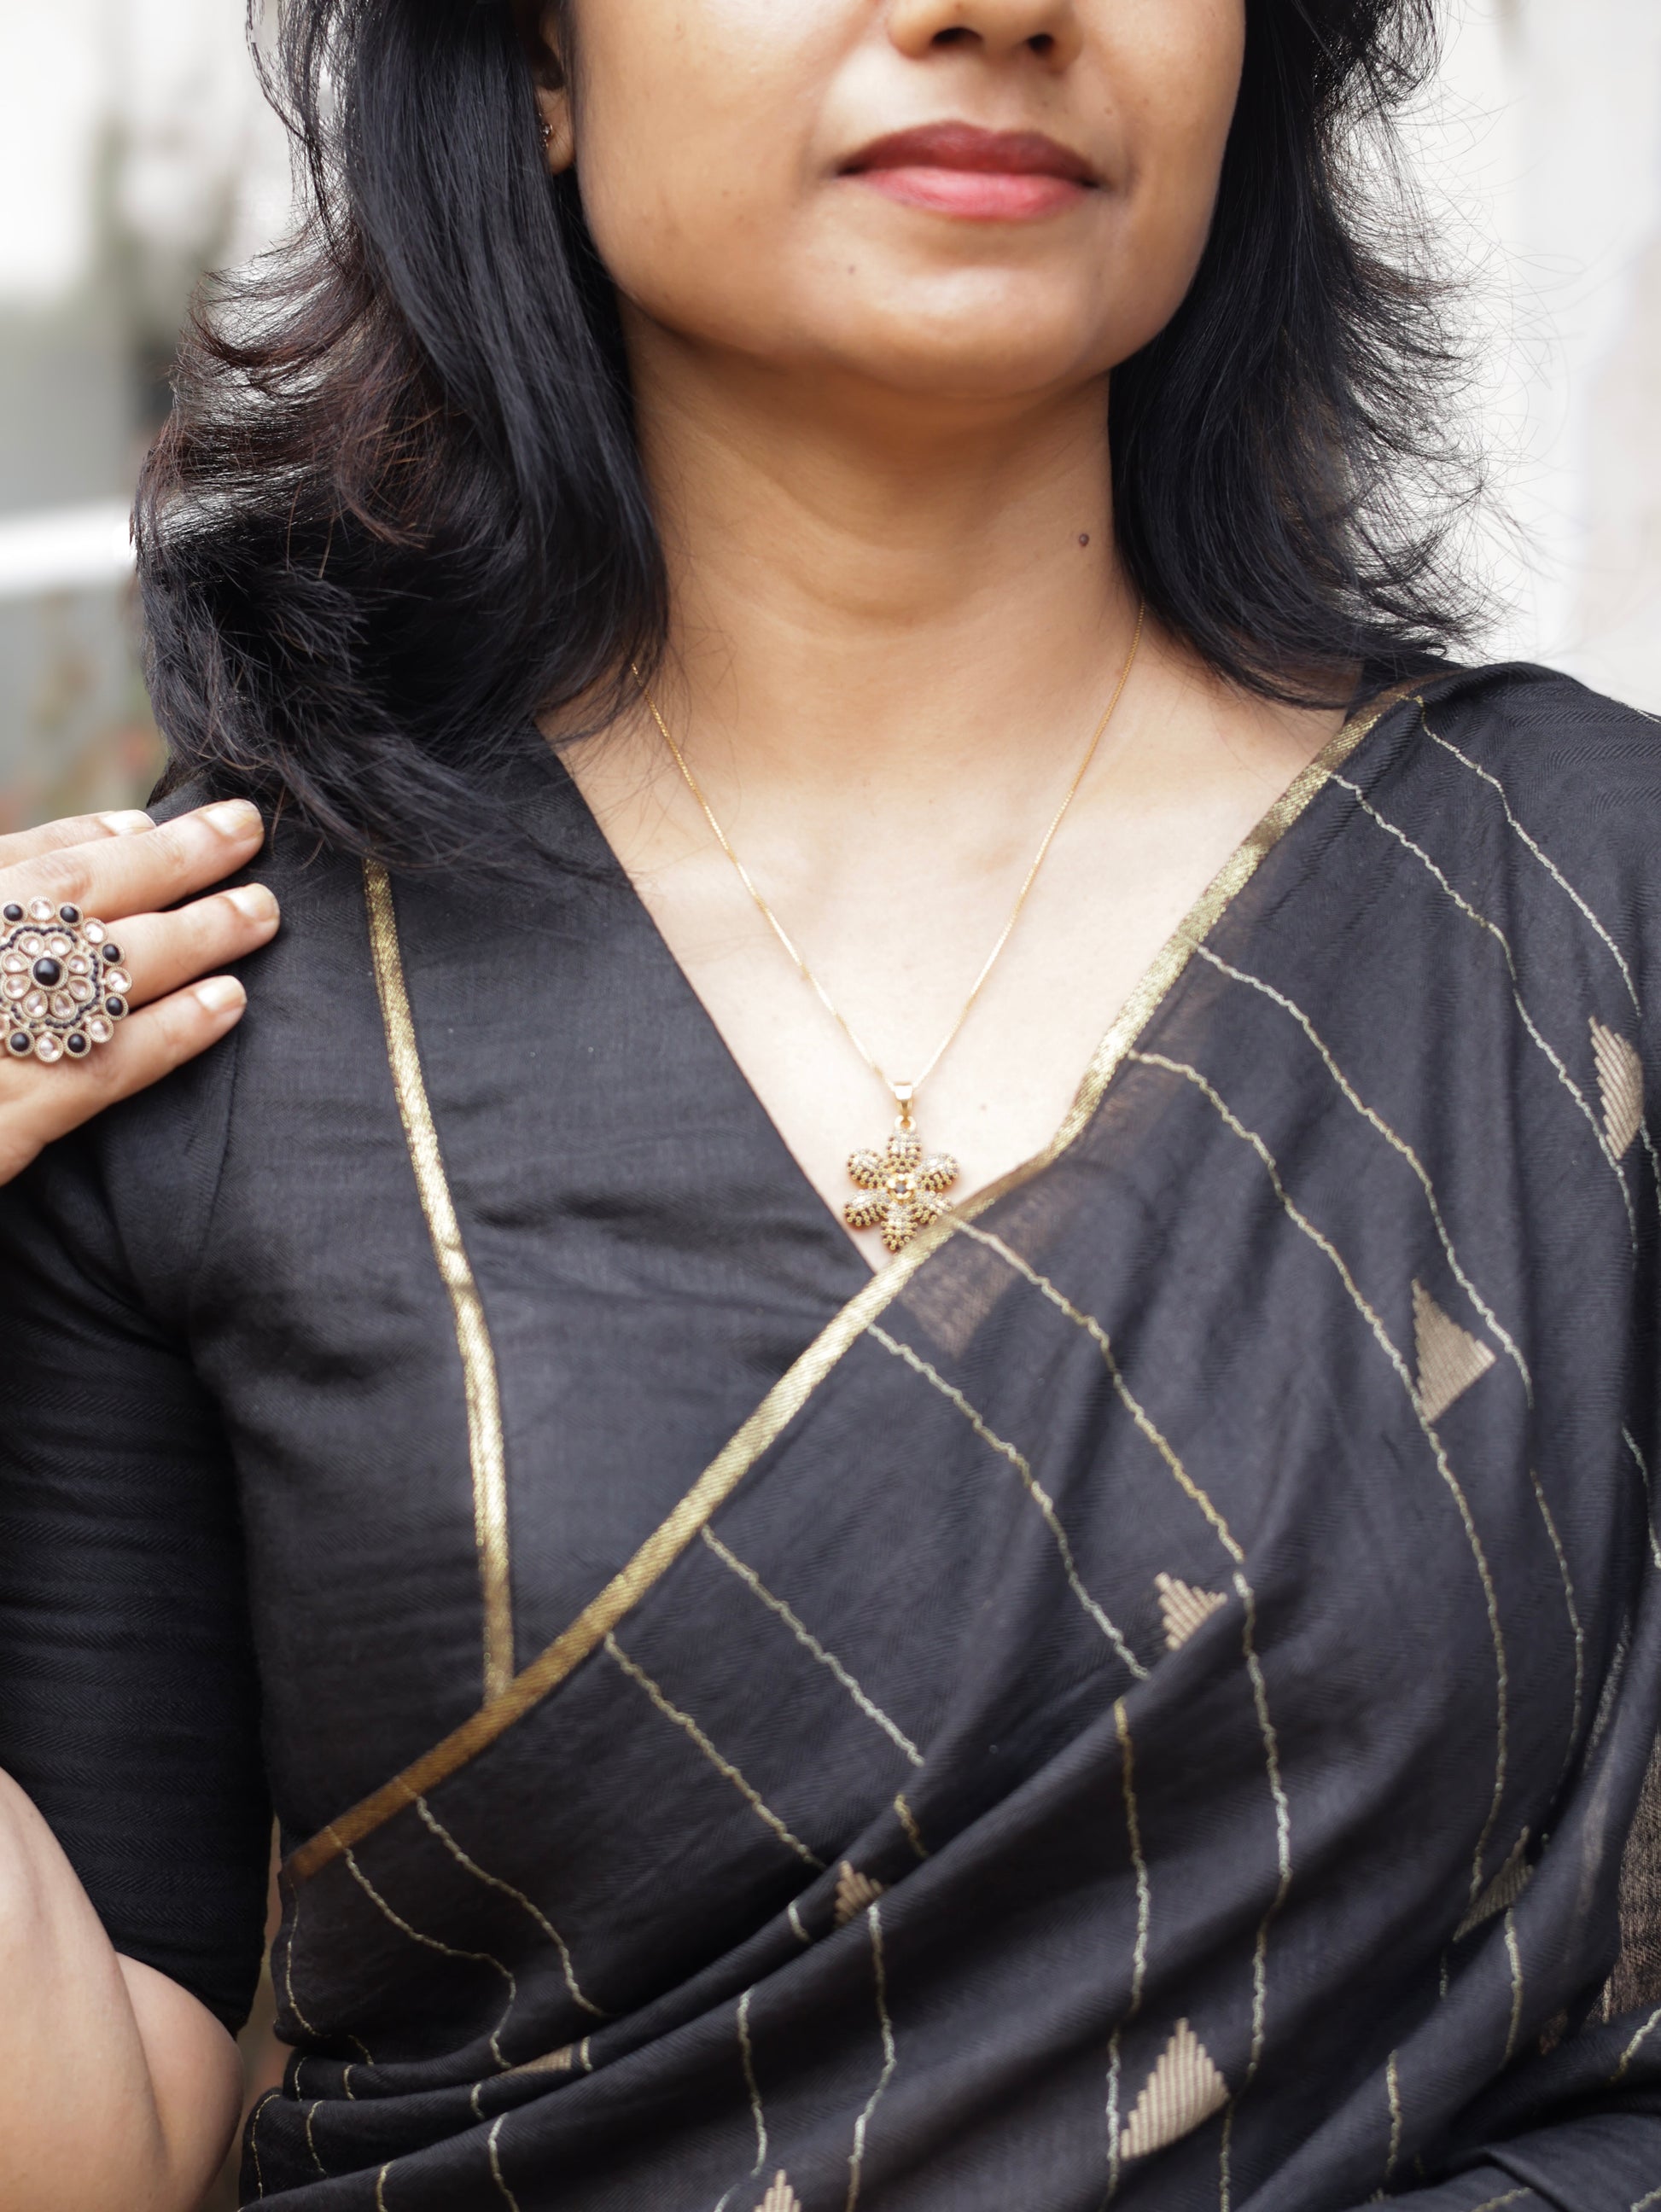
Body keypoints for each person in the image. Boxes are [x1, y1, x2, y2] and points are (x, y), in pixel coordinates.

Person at [1, 1, 1657, 2208]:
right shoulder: (224, 1009)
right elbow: (84, 2151)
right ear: (534, 61)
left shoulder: (1577, 906)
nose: (1000, 9)